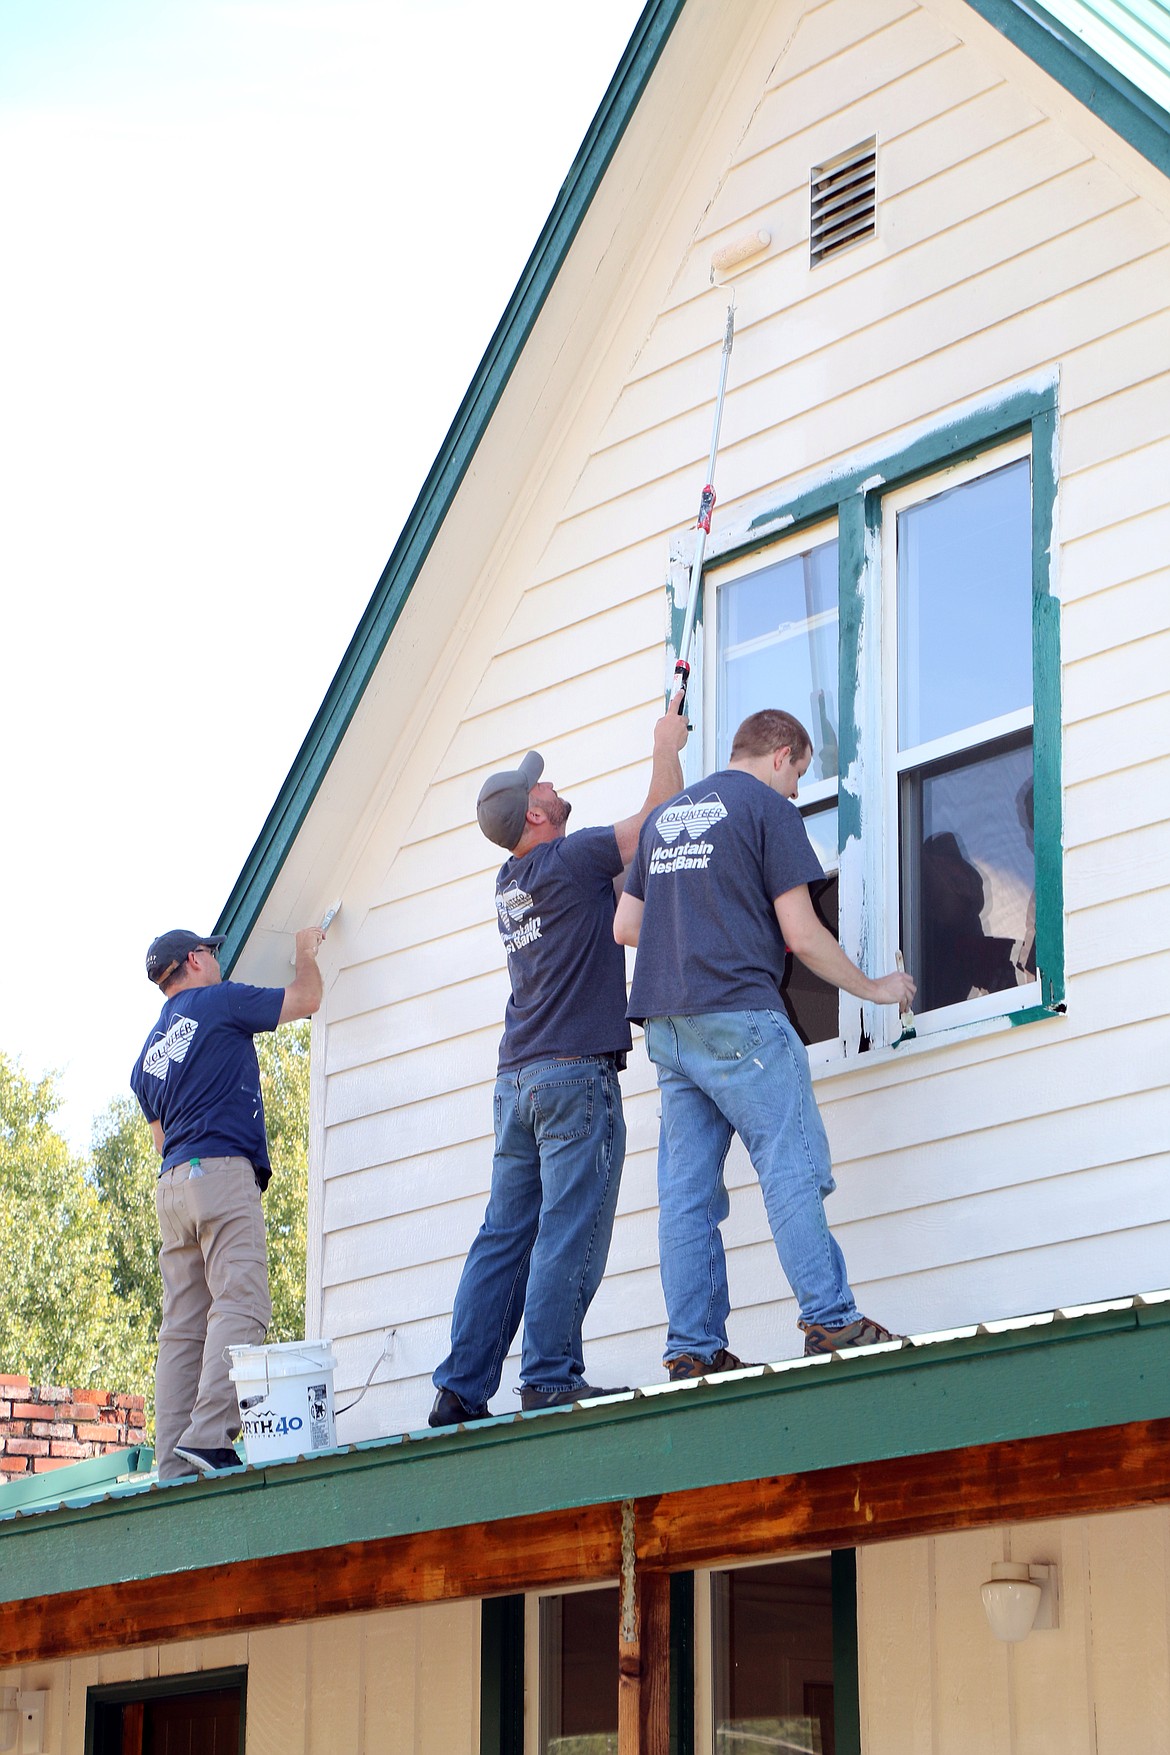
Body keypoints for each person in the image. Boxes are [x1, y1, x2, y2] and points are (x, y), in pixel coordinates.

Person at [613, 708, 916, 1378]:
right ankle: (832, 1320)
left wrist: (696, 918)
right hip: (742, 1017)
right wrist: (875, 988)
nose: (798, 791)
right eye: (800, 773)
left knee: (687, 1194)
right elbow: (803, 934)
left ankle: (693, 1347)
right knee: (791, 1167)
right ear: (782, 753)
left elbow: (626, 925)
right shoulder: (766, 811)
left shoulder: (667, 820)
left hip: (669, 1025)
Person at [430, 698, 689, 1425]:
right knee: (568, 1226)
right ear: (535, 818)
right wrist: (665, 743)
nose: (548, 784)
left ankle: (460, 1386)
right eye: (538, 786)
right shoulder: (569, 860)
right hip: (574, 1076)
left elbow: (610, 893)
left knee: (504, 1233)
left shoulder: (512, 885)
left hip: (517, 1081)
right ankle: (548, 1376)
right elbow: (655, 822)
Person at [130, 925, 325, 1479]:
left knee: (183, 1326)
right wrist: (305, 953)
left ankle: (172, 1462)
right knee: (243, 1301)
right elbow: (306, 1000)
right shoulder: (221, 1001)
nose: (217, 959)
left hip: (172, 1186)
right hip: (219, 1172)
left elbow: (161, 1140)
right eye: (210, 952)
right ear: (195, 959)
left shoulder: (149, 1055)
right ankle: (211, 1436)